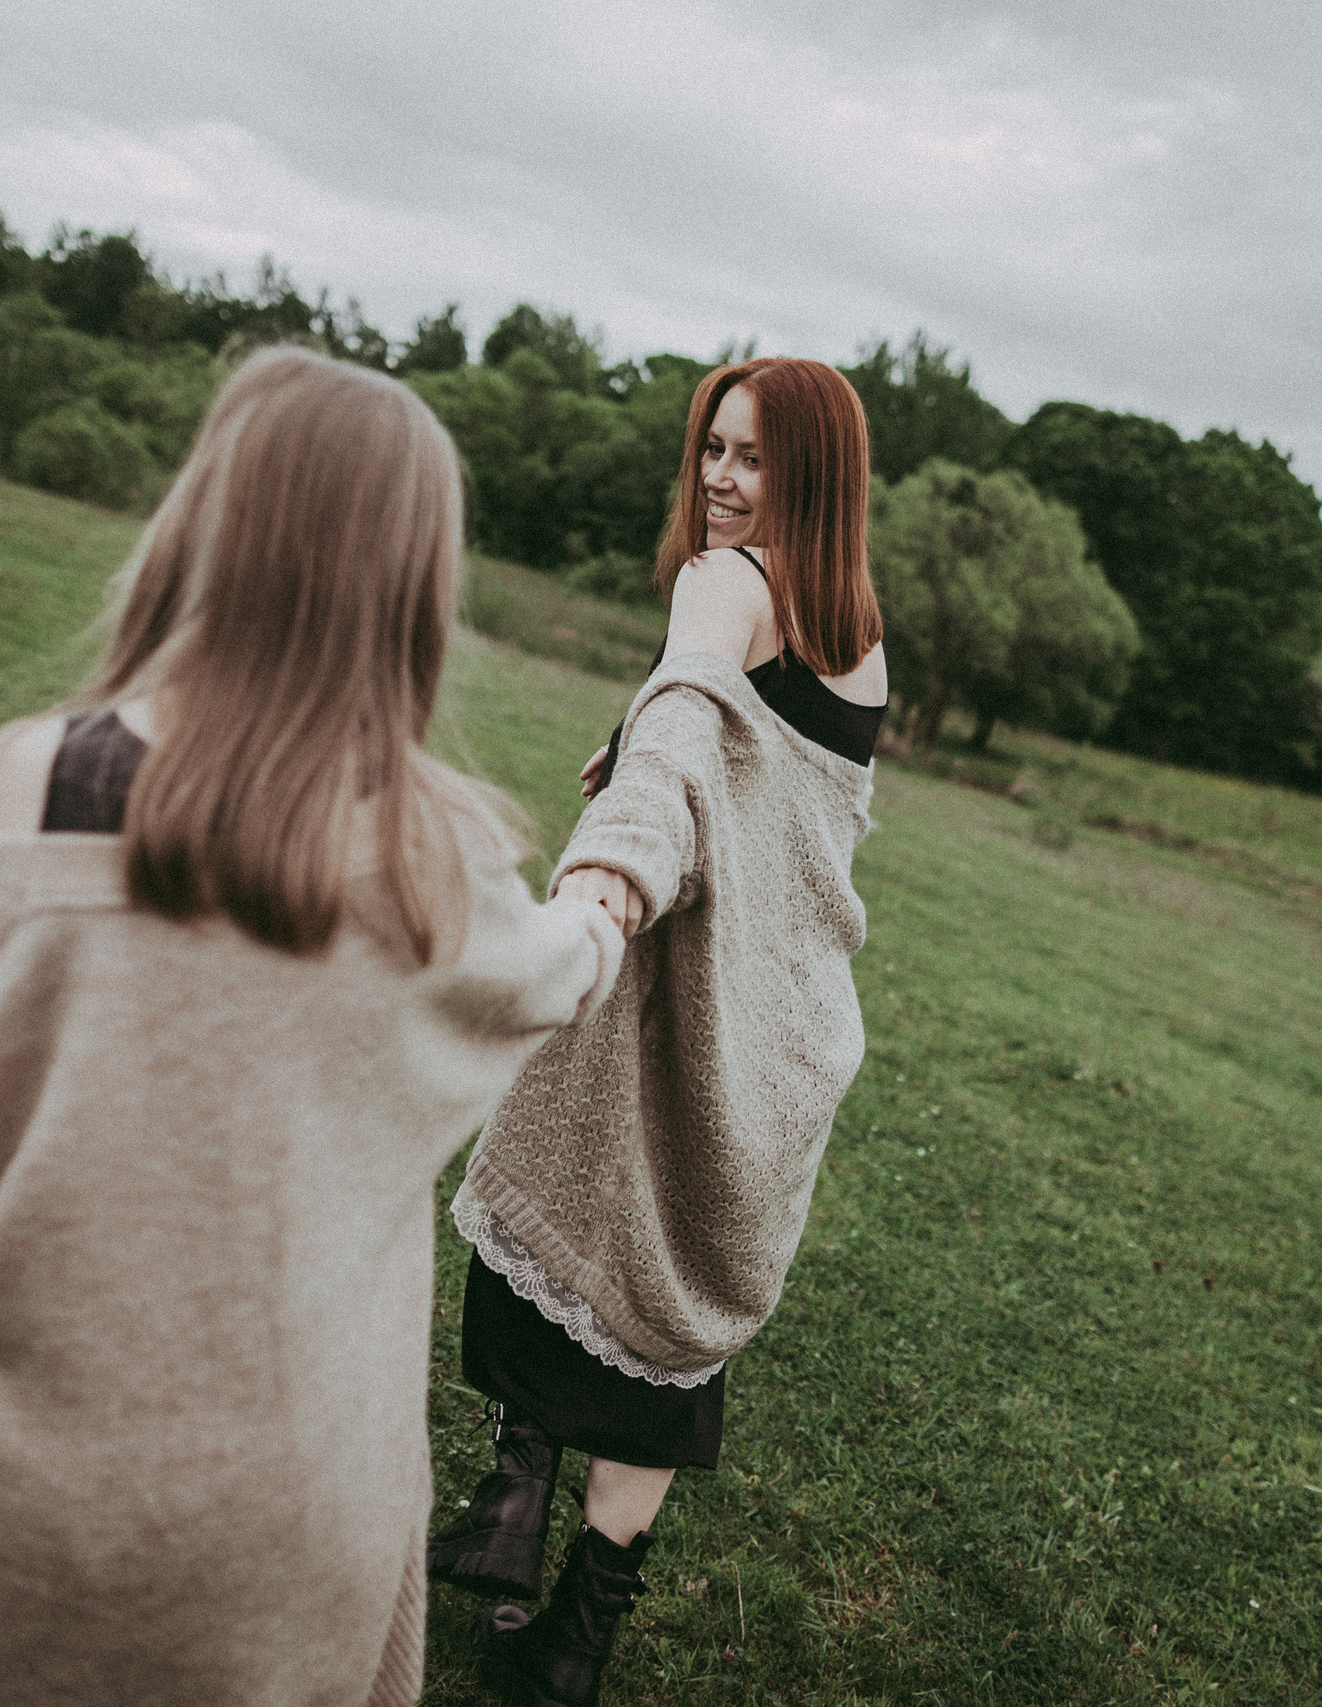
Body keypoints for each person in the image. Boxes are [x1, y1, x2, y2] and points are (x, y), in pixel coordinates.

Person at [0, 348, 627, 1707]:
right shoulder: (439, 867)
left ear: (201, 524)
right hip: (274, 1560)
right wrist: (616, 854)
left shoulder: (27, 782)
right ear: (414, 591)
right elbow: (576, 962)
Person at [429, 357, 887, 1706]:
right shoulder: (857, 626)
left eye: (753, 457)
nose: (721, 479)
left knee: (551, 1212)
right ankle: (576, 1637)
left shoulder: (726, 586)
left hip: (684, 1002)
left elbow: (690, 732)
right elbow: (769, 772)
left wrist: (607, 863)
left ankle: (513, 1503)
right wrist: (629, 736)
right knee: (676, 1330)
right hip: (788, 1035)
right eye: (712, 450)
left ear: (815, 474)